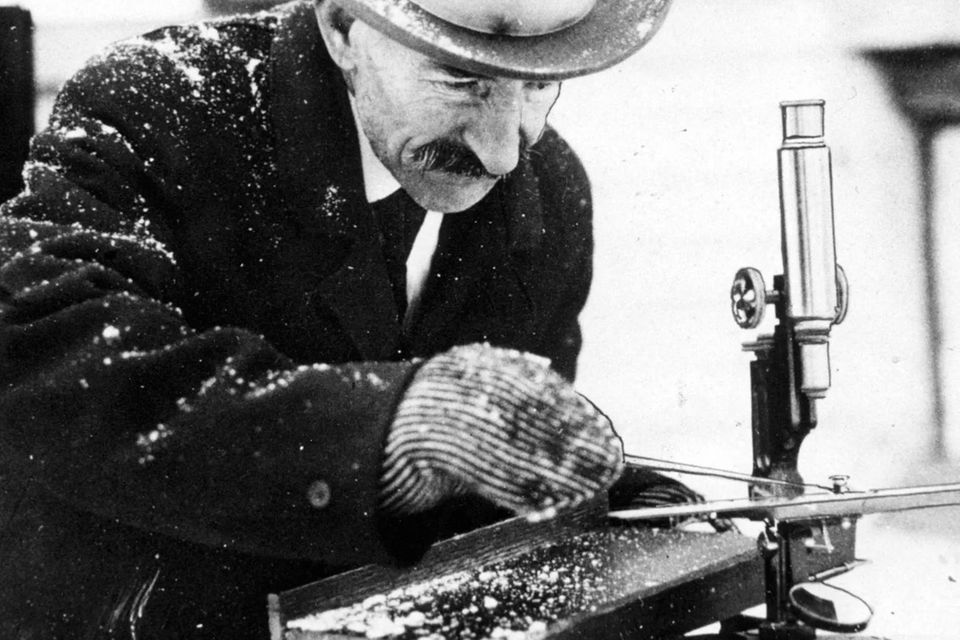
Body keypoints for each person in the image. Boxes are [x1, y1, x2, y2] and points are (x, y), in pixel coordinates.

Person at [0, 0, 699, 638]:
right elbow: (39, 353)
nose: (503, 150)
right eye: (461, 77)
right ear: (342, 29)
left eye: (539, 84)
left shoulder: (548, 189)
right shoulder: (164, 102)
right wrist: (379, 434)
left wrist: (605, 496)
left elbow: (473, 495)